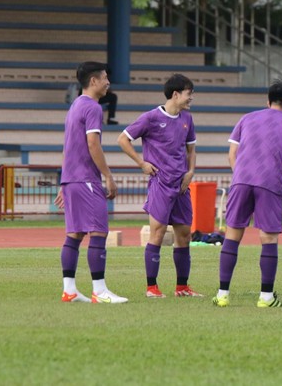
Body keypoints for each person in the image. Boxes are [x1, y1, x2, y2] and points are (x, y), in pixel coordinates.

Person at [212, 81, 282, 308]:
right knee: (268, 238)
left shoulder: (247, 118)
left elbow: (232, 154)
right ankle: (266, 297)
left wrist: (242, 175)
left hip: (240, 181)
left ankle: (222, 294)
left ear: (268, 101)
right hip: (269, 183)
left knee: (232, 236)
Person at [117, 74, 202, 299]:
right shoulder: (150, 118)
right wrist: (141, 163)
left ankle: (182, 287)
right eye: (188, 93)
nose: (191, 98)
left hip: (182, 185)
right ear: (176, 94)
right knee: (157, 233)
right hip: (161, 184)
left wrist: (190, 172)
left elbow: (191, 150)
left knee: (184, 235)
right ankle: (152, 288)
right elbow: (123, 139)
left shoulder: (187, 119)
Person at [55, 61, 128, 304]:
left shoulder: (75, 105)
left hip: (72, 179)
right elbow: (92, 144)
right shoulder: (93, 108)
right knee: (99, 231)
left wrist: (64, 181)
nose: (108, 82)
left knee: (74, 234)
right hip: (86, 179)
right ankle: (100, 290)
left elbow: (68, 146)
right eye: (105, 78)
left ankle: (70, 290)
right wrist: (108, 175)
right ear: (94, 81)